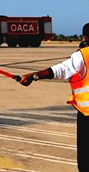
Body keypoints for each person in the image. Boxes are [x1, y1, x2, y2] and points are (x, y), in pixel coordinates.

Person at [20, 23, 89, 171]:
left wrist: (34, 75)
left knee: (86, 159)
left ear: (85, 37)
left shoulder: (83, 55)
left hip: (87, 113)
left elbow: (60, 70)